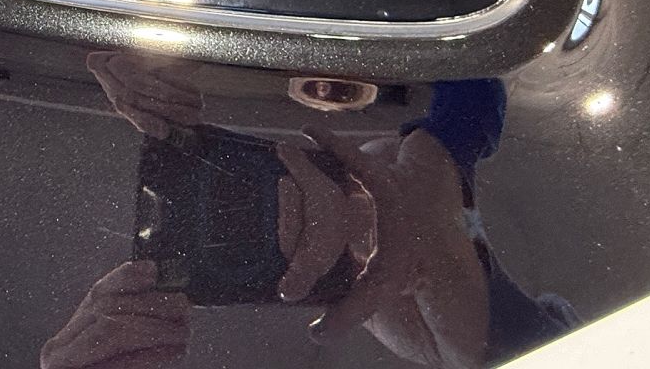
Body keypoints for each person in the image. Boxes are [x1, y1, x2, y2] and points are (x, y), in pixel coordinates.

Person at [40, 53, 576, 369]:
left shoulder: (451, 327)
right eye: (232, 227)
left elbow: (473, 59)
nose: (247, 217)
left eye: (228, 198)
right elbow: (473, 62)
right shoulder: (455, 330)